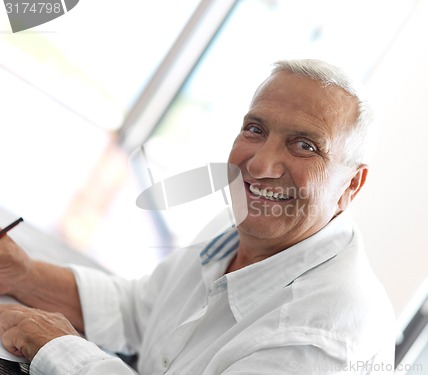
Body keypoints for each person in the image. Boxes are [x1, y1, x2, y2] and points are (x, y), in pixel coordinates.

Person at [0, 59, 395, 374]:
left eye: (304, 145)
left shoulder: (323, 341)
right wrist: (23, 273)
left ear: (351, 186)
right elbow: (140, 311)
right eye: (255, 129)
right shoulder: (243, 228)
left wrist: (61, 348)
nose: (259, 164)